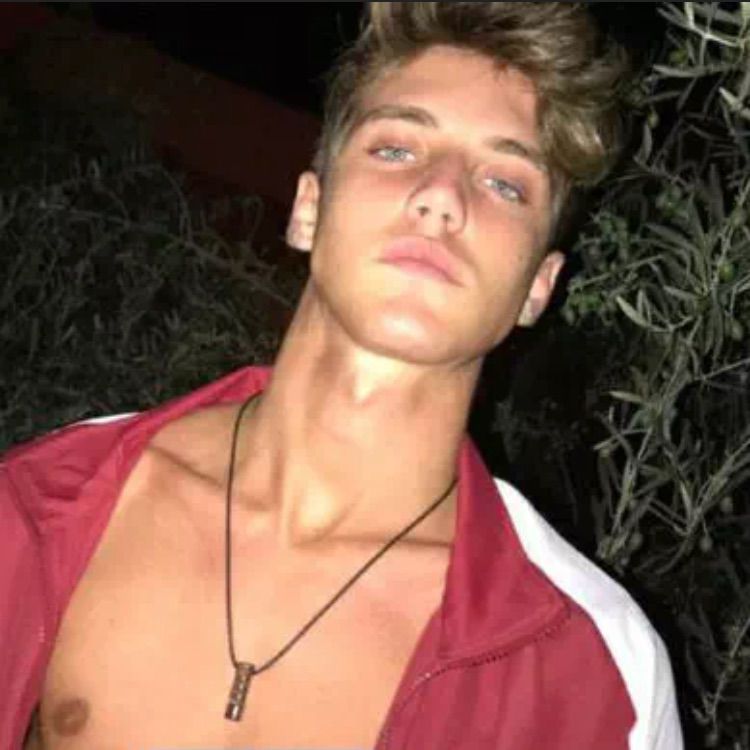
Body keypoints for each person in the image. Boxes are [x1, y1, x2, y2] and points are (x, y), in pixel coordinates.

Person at [1, 3, 683, 749]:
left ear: (539, 288)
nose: (442, 196)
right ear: (308, 207)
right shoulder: (42, 504)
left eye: (504, 184)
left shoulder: (587, 674)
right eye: (397, 148)